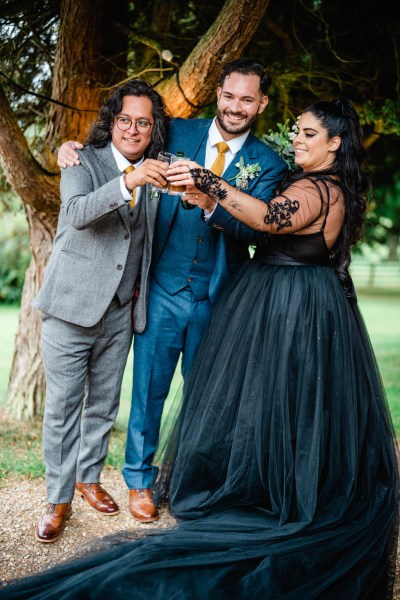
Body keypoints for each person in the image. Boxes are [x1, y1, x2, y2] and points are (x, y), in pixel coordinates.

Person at [2, 99, 398, 599]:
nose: (296, 139)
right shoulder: (185, 138)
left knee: (267, 402)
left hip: (279, 306)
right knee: (242, 400)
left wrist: (210, 186)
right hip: (191, 296)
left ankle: (274, 495)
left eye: (308, 133)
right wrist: (71, 146)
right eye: (296, 131)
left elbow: (270, 220)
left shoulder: (307, 183)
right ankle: (111, 487)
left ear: (334, 142)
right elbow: (130, 146)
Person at [57, 58, 288, 523]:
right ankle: (140, 481)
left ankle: (192, 478)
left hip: (218, 295)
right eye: (229, 95)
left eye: (247, 99)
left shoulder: (268, 163)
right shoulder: (176, 133)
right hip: (160, 287)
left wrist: (211, 205)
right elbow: (125, 145)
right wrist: (72, 146)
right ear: (218, 93)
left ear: (261, 103)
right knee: (147, 390)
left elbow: (258, 232)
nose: (236, 107)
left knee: (208, 395)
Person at [31, 79, 170, 543]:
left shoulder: (159, 172)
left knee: (104, 406)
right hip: (70, 309)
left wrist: (144, 177)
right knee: (64, 407)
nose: (133, 129)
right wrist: (127, 180)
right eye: (125, 120)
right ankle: (57, 497)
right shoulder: (80, 161)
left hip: (120, 312)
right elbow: (75, 213)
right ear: (111, 122)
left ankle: (89, 477)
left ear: (154, 129)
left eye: (143, 122)